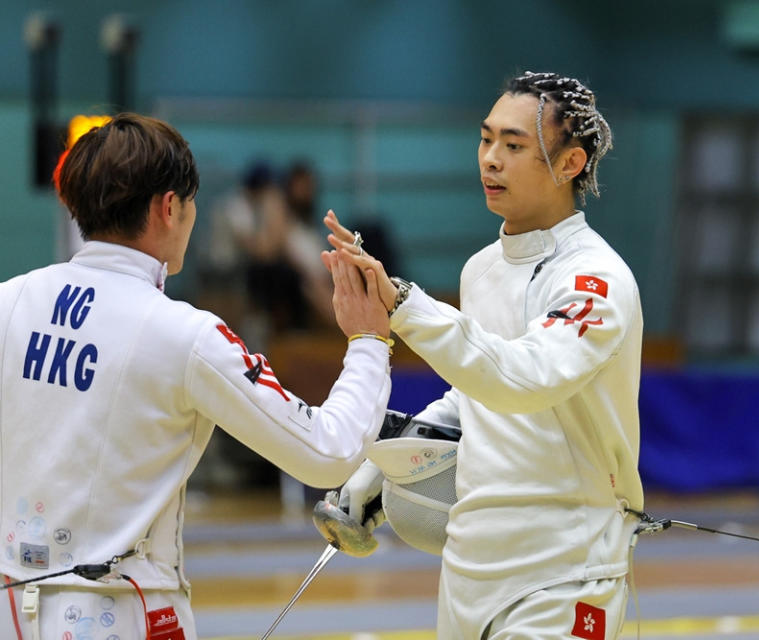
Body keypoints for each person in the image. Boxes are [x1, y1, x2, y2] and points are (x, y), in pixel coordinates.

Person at [0, 113, 391, 640]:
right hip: (122, 617)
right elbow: (327, 452)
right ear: (169, 207)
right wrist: (369, 343)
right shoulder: (186, 335)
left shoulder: (10, 300)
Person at [330, 71, 644, 639]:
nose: (491, 159)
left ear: (571, 164)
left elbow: (523, 379)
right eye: (486, 139)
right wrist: (389, 460)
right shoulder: (482, 268)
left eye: (514, 145)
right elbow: (477, 388)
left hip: (566, 572)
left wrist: (402, 303)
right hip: (468, 569)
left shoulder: (595, 278)